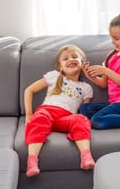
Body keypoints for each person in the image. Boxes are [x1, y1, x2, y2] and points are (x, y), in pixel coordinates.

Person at [24, 44, 95, 178]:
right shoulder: (55, 76)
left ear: (82, 62)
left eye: (75, 57)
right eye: (66, 58)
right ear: (60, 67)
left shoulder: (86, 88)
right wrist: (29, 113)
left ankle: (86, 156)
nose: (71, 59)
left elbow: (85, 111)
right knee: (39, 119)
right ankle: (32, 161)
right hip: (47, 112)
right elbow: (29, 90)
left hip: (66, 118)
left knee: (81, 119)